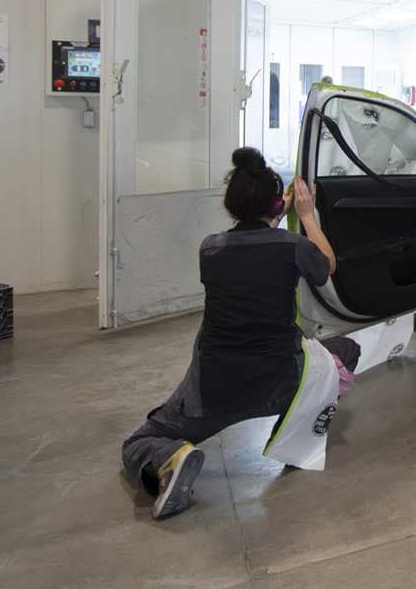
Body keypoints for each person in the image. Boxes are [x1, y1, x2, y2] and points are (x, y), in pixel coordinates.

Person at [122, 147, 356, 520]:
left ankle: (172, 457)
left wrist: (272, 216)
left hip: (215, 393)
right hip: (282, 383)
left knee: (139, 441)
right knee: (346, 350)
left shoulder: (210, 249)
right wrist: (306, 215)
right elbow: (326, 264)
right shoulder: (293, 247)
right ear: (277, 206)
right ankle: (294, 430)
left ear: (231, 205)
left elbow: (254, 251)